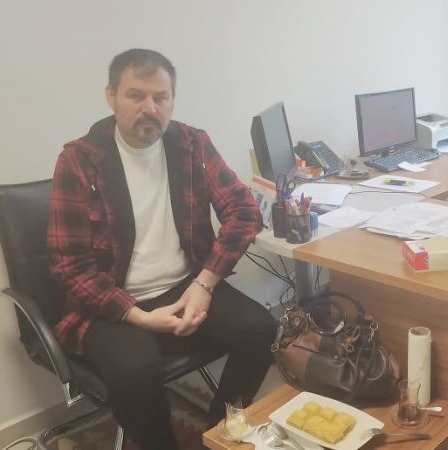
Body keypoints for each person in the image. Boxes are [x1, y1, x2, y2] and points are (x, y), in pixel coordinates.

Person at [47, 49, 276, 449]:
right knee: (135, 372)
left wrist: (203, 284)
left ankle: (218, 434)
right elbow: (70, 266)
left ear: (172, 100)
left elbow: (244, 211)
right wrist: (138, 316)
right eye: (136, 95)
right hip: (112, 303)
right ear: (111, 96)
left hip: (186, 285)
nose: (149, 108)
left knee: (261, 329)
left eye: (160, 97)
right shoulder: (79, 161)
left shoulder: (191, 143)